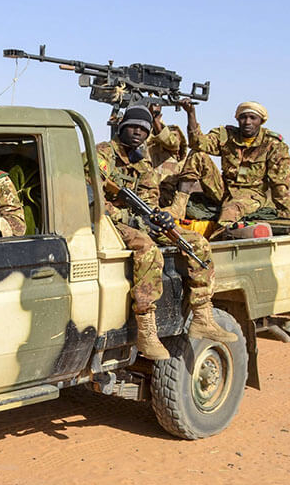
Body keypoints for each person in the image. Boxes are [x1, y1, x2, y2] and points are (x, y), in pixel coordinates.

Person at [95, 105, 236, 360]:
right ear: (122, 127)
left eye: (143, 129)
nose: (137, 132)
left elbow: (149, 197)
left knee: (197, 243)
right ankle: (146, 330)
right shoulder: (103, 153)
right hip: (109, 220)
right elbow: (90, 195)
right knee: (148, 251)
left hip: (138, 218)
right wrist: (126, 216)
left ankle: (202, 315)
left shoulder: (143, 161)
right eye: (132, 126)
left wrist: (157, 215)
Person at [178, 99, 290, 229]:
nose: (247, 122)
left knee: (231, 211)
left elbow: (279, 183)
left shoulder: (273, 144)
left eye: (253, 118)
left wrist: (286, 213)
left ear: (261, 120)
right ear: (237, 119)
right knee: (197, 154)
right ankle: (179, 206)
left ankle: (217, 240)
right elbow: (197, 143)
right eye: (243, 117)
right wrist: (191, 114)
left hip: (251, 195)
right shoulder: (226, 136)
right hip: (224, 190)